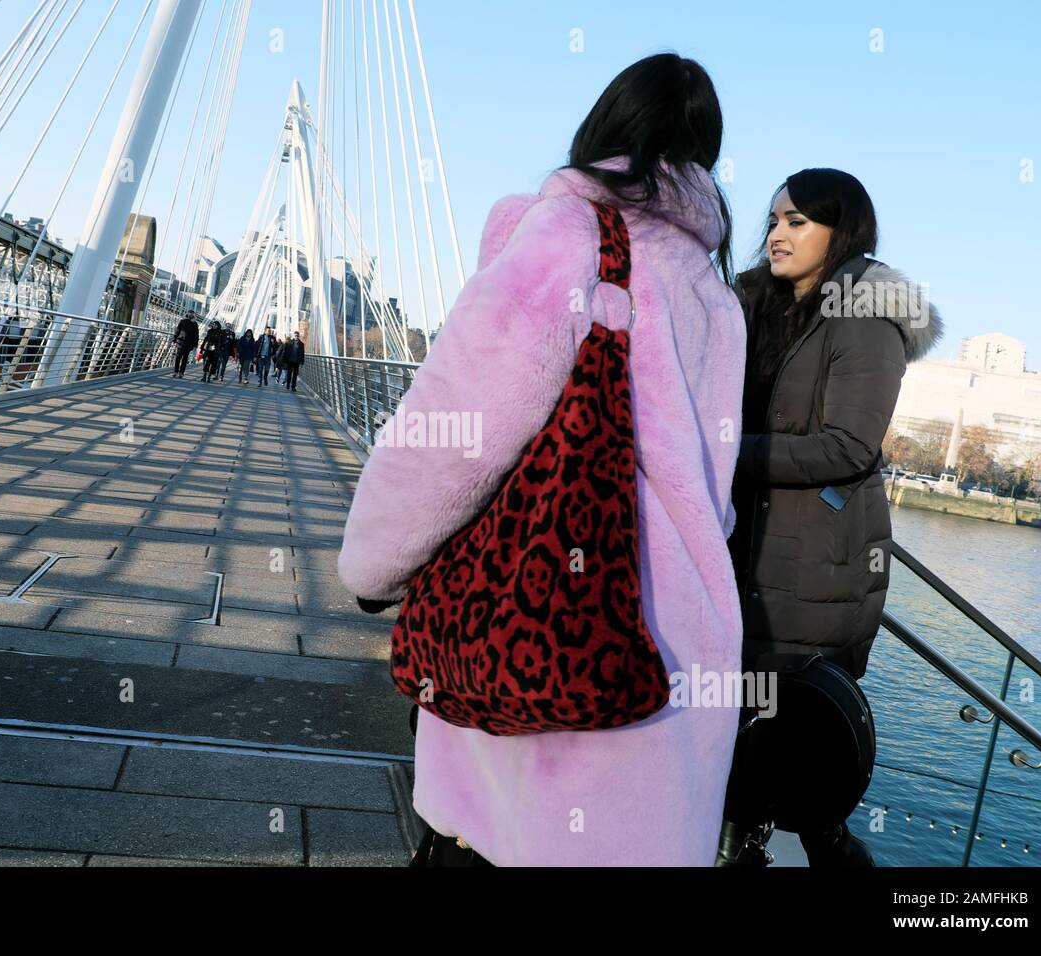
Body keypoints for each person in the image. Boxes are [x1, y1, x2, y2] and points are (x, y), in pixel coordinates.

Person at [336, 53, 746, 865]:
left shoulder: (567, 235)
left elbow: (455, 432)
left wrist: (370, 565)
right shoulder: (716, 295)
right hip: (676, 658)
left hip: (551, 633)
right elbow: (715, 494)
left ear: (602, 129)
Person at [721, 168, 943, 866]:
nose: (776, 233)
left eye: (798, 221)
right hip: (742, 545)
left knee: (783, 740)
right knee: (731, 732)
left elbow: (848, 446)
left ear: (840, 231)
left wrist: (722, 453)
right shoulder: (756, 303)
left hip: (812, 565)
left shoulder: (866, 317)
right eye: (774, 219)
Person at [172, 310, 199, 378]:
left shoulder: (195, 324)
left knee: (185, 359)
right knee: (178, 357)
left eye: (192, 313)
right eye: (189, 313)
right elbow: (177, 330)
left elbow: (196, 335)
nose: (190, 314)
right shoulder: (182, 321)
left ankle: (181, 373)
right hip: (180, 342)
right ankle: (175, 371)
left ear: (193, 315)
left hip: (188, 343)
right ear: (187, 313)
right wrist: (174, 339)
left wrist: (195, 345)